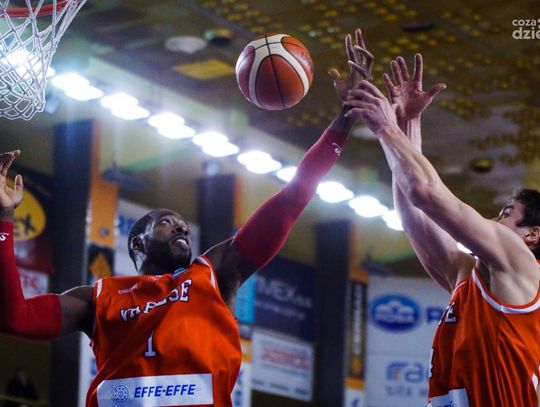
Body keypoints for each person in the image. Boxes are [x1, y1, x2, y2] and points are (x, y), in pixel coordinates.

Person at [0, 30, 374, 407]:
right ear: (137, 242)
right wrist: (3, 219)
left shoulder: (215, 273)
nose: (181, 226)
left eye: (182, 224)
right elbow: (15, 317)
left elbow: (292, 199)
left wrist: (344, 120)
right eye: (166, 221)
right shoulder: (98, 298)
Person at [345, 54, 540, 406]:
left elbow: (425, 192)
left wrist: (385, 127)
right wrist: (407, 124)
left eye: (506, 214)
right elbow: (414, 215)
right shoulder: (468, 275)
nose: (492, 221)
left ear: (532, 235)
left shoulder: (521, 264)